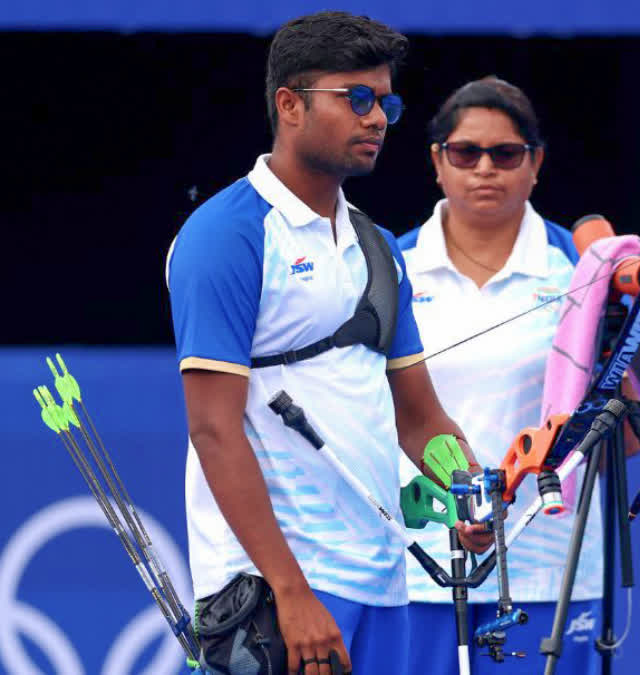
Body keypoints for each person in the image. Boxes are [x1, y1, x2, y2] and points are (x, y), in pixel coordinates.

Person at [166, 13, 490, 675]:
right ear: (289, 103)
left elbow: (421, 417)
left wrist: (470, 491)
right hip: (275, 587)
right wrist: (290, 590)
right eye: (358, 99)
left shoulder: (376, 246)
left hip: (382, 580)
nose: (378, 119)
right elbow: (213, 430)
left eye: (387, 103)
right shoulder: (226, 236)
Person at [397, 76, 604, 674]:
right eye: (465, 152)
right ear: (438, 162)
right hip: (421, 566)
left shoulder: (585, 274)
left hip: (549, 565)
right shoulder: (391, 268)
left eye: (506, 153)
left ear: (535, 163)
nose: (484, 167)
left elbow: (617, 417)